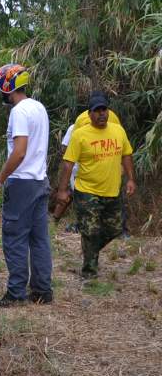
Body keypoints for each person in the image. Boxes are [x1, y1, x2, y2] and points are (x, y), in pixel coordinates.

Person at [0, 63, 53, 307]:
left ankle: (16, 293)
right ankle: (42, 291)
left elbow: (19, 152)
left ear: (8, 85)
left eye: (0, 86)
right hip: (40, 181)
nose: (0, 93)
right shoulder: (39, 108)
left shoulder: (19, 112)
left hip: (22, 183)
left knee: (14, 238)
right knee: (39, 239)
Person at [55, 91, 136, 279]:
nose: (101, 114)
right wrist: (62, 190)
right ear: (89, 114)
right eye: (97, 111)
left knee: (115, 229)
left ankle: (90, 251)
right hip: (87, 191)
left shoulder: (118, 130)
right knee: (90, 230)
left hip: (112, 190)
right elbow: (68, 163)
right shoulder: (80, 134)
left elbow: (126, 154)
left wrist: (131, 179)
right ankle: (89, 273)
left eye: (104, 110)